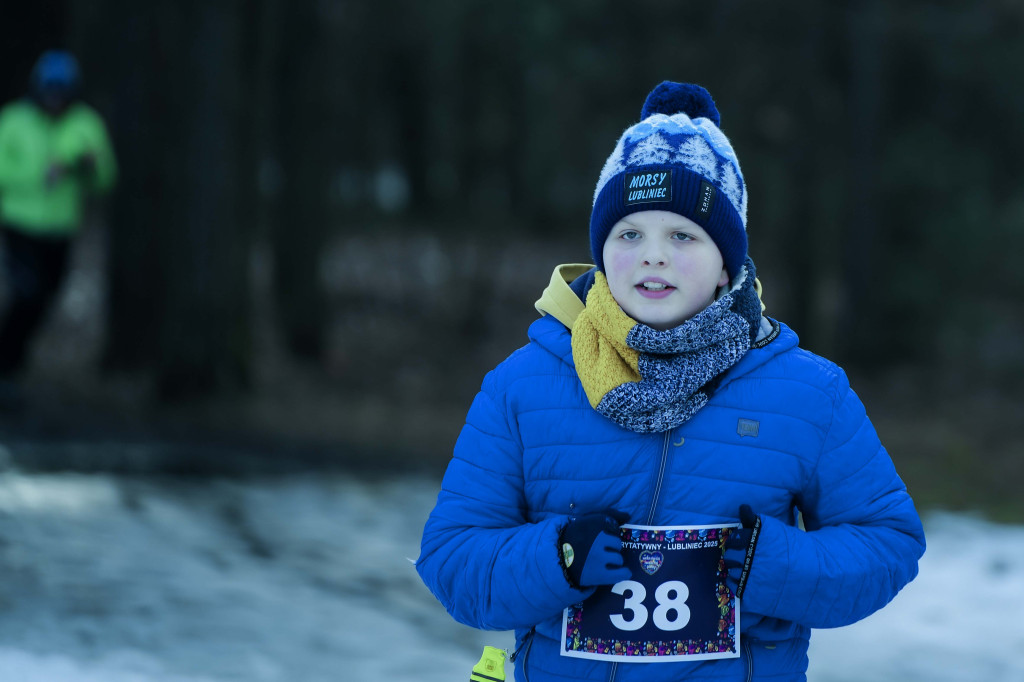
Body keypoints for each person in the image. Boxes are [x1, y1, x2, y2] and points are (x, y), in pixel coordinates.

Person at [416, 81, 925, 681]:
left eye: (682, 236)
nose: (652, 256)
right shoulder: (521, 388)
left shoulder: (810, 394)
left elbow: (888, 542)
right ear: (603, 250)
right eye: (629, 234)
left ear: (726, 264)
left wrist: (775, 566)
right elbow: (452, 559)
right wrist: (558, 557)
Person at [0, 50, 117, 378]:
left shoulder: (86, 124)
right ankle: (7, 364)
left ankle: (13, 363)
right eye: (49, 90)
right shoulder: (13, 121)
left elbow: (105, 178)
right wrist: (43, 175)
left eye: (61, 91)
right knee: (27, 293)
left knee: (46, 297)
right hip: (19, 225)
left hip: (60, 229)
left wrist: (86, 169)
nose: (54, 99)